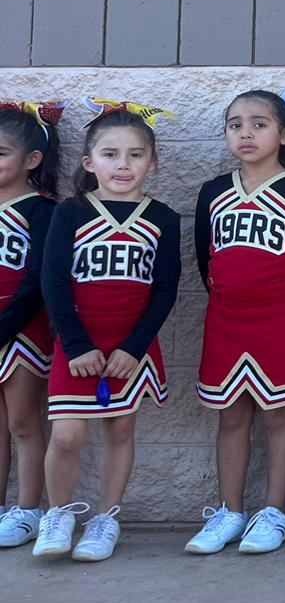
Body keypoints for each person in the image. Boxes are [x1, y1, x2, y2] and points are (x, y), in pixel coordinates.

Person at [186, 89, 285, 556]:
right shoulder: (213, 192)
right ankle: (230, 511)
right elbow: (204, 258)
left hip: (280, 320)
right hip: (225, 320)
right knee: (231, 416)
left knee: (278, 414)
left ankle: (274, 511)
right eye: (235, 125)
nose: (245, 133)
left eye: (259, 124)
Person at [33, 101, 180, 562]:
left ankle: (105, 519)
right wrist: (75, 344)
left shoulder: (163, 218)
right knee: (67, 436)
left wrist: (135, 348)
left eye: (136, 154)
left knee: (120, 430)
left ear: (152, 162)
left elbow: (165, 290)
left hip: (131, 347)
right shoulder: (71, 213)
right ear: (88, 162)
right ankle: (58, 514)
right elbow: (53, 282)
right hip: (77, 344)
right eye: (110, 154)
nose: (123, 164)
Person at [0, 102, 61, 550]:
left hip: (21, 330)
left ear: (32, 159)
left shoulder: (41, 210)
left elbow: (38, 278)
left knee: (23, 423)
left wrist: (5, 326)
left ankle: (27, 509)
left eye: (0, 153)